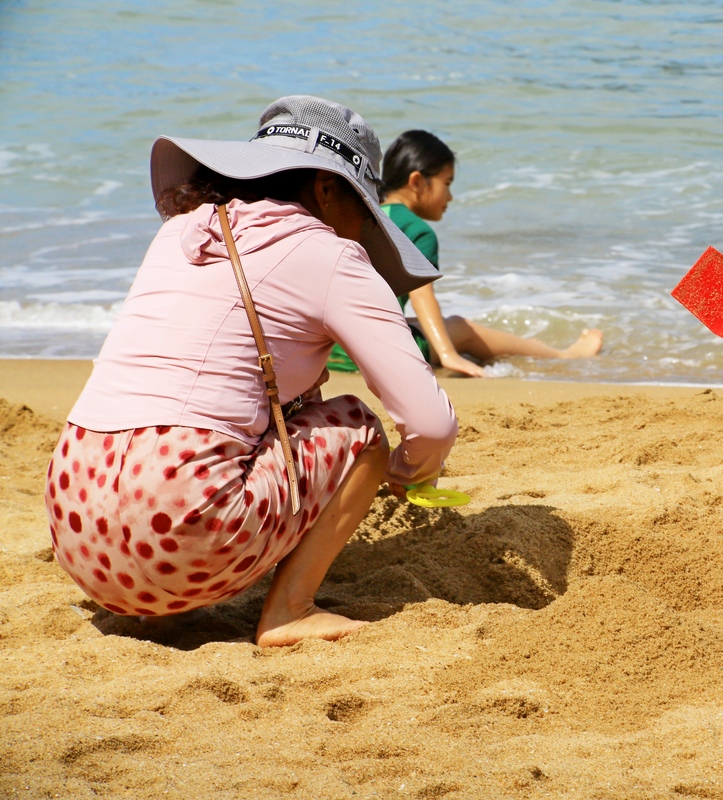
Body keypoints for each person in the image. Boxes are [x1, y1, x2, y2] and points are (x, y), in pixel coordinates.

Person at [45, 96, 458, 647]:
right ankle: (290, 611)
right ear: (325, 187)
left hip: (78, 527)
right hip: (181, 529)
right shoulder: (330, 255)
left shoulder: (180, 232)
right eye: (363, 205)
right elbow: (431, 424)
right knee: (360, 430)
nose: (362, 227)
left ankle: (159, 612)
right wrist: (410, 471)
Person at [327, 130, 603, 378]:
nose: (450, 197)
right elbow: (422, 296)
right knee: (462, 328)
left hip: (333, 348)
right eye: (447, 183)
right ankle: (564, 355)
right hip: (369, 356)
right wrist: (448, 355)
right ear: (417, 182)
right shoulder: (417, 230)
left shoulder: (365, 214)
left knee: (421, 324)